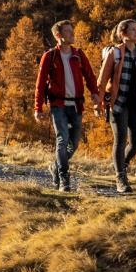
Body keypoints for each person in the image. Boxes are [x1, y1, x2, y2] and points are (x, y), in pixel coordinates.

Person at [31, 21, 100, 194]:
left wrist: (94, 93)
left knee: (74, 143)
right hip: (58, 105)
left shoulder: (78, 54)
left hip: (76, 105)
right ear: (59, 36)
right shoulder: (50, 56)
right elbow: (40, 84)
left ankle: (55, 166)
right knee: (62, 140)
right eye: (68, 32)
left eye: (72, 31)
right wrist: (38, 108)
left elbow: (90, 76)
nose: (72, 34)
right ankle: (64, 179)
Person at [99, 17, 136, 193]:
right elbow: (101, 80)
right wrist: (98, 103)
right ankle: (121, 179)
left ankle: (121, 165)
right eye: (133, 30)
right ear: (123, 33)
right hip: (118, 103)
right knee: (121, 137)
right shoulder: (115, 53)